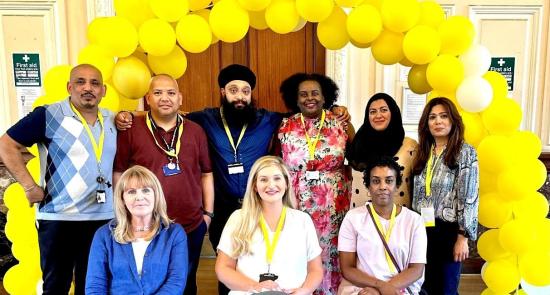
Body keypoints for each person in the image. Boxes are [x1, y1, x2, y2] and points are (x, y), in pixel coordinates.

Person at [115, 64, 350, 294]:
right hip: (224, 208)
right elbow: (170, 112)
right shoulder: (204, 119)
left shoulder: (269, 119)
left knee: (267, 261)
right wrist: (126, 115)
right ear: (223, 92)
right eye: (233, 90)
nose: (240, 96)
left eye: (245, 91)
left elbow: (307, 111)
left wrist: (338, 109)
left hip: (260, 206)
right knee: (226, 268)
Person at [0, 64, 116, 294]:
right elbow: (6, 144)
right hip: (59, 217)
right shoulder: (48, 115)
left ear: (103, 90)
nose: (88, 88)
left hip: (102, 218)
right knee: (56, 286)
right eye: (81, 82)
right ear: (69, 87)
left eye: (94, 83)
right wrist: (29, 186)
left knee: (93, 285)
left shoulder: (111, 118)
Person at [113, 74, 214, 295]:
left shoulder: (195, 131)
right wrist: (122, 213)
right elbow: (119, 172)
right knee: (149, 283)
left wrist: (208, 214)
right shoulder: (131, 128)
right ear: (148, 98)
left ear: (180, 98)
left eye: (170, 93)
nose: (164, 98)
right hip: (145, 225)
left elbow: (207, 173)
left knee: (186, 282)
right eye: (158, 93)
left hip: (190, 224)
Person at [277, 73, 354, 294]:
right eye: (303, 94)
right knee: (299, 249)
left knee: (330, 253)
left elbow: (358, 156)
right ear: (295, 98)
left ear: (325, 96)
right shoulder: (285, 125)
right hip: (296, 203)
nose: (309, 98)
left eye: (315, 93)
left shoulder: (341, 123)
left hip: (333, 206)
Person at [215, 156, 323, 294]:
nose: (271, 185)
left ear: (286, 183)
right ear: (254, 185)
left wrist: (304, 291)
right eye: (263, 179)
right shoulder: (238, 218)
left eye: (277, 178)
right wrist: (254, 287)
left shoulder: (303, 220)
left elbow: (316, 270)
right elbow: (223, 268)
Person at [411, 97, 479, 295]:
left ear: (453, 121)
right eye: (432, 117)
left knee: (446, 288)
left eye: (443, 116)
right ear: (426, 123)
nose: (437, 121)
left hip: (450, 232)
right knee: (423, 286)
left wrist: (463, 237)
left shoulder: (465, 152)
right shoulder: (423, 151)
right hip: (422, 229)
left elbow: (469, 196)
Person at [86, 165, 188, 294]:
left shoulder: (174, 233)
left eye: (146, 190)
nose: (139, 197)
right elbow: (95, 286)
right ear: (122, 199)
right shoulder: (103, 235)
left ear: (156, 195)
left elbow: (176, 282)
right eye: (131, 192)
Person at [338, 156, 427, 295]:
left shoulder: (414, 221)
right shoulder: (353, 218)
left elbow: (416, 269)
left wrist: (382, 290)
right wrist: (378, 286)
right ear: (368, 185)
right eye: (376, 181)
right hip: (362, 288)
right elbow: (347, 268)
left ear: (397, 185)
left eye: (389, 181)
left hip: (401, 287)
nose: (383, 186)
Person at [346, 93, 417, 207]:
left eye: (384, 110)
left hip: (398, 217)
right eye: (372, 111)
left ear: (393, 113)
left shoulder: (410, 146)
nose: (378, 115)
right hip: (359, 217)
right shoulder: (358, 144)